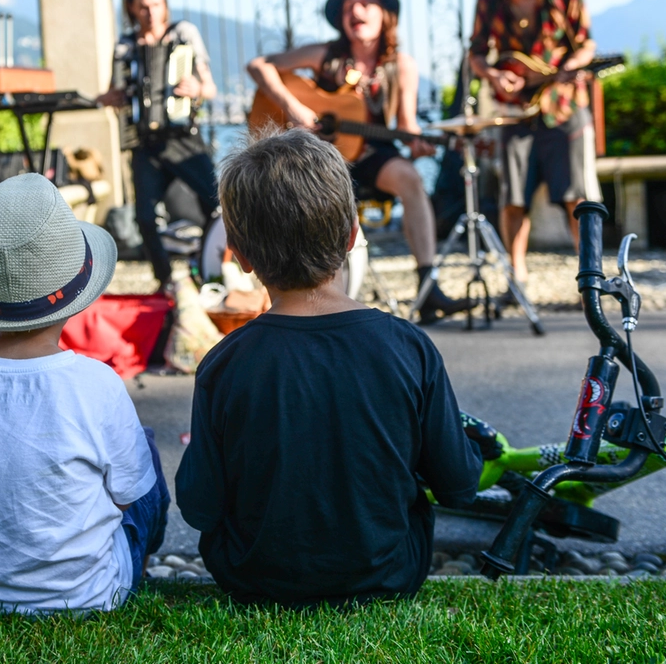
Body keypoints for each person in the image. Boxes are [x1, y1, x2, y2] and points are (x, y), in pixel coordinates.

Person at [175, 128, 482, 607]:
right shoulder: (408, 347)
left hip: (253, 578)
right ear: (352, 235)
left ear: (240, 252)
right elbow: (460, 485)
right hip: (390, 573)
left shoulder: (224, 363)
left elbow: (199, 505)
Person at [0, 173, 170, 615]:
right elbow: (128, 496)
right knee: (141, 446)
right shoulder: (96, 383)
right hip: (87, 596)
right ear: (76, 293)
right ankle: (136, 567)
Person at [247, 0, 473, 323]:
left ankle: (428, 286)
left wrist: (417, 143)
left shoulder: (401, 66)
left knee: (411, 181)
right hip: (319, 156)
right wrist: (292, 107)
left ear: (385, 15)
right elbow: (259, 65)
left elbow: (407, 123)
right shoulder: (325, 55)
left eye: (366, 3)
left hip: (370, 154)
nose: (356, 11)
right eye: (349, 6)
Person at [468, 0, 600, 288]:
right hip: (514, 113)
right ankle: (517, 277)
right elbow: (476, 53)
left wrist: (571, 69)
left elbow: (586, 45)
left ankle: (589, 279)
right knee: (513, 197)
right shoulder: (489, 2)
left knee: (577, 197)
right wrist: (493, 76)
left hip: (564, 109)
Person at [98, 0, 219, 293]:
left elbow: (210, 87)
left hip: (182, 139)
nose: (151, 12)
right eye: (143, 6)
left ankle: (210, 269)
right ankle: (165, 281)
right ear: (132, 9)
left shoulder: (184, 34)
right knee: (145, 218)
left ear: (165, 5)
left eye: (156, 4)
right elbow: (116, 93)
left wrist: (197, 90)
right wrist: (111, 98)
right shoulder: (125, 47)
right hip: (145, 144)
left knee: (217, 206)